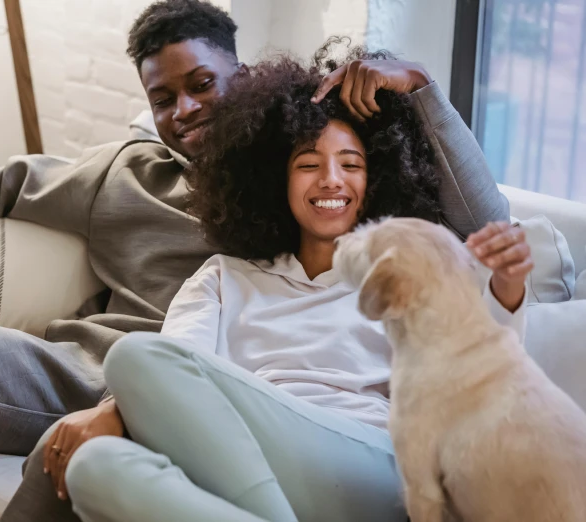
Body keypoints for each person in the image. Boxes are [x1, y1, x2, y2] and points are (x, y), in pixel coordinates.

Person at [0, 1, 508, 520]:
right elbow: (6, 180)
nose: (185, 109)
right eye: (162, 98)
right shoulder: (131, 173)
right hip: (92, 370)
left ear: (247, 77)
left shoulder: (324, 188)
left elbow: (489, 234)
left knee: (82, 437)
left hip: (212, 399)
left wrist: (418, 92)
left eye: (202, 84)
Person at [55, 52, 532, 522]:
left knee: (132, 357)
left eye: (351, 164)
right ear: (275, 181)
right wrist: (121, 408)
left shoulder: (407, 276)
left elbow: (483, 358)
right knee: (95, 468)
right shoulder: (224, 276)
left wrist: (507, 284)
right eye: (308, 164)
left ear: (379, 179)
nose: (330, 180)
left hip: (369, 462)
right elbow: (178, 367)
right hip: (243, 460)